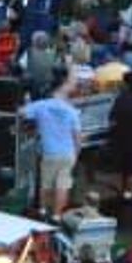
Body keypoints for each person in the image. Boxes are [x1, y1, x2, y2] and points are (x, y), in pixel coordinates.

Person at [21, 73, 82, 216]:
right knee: (63, 186)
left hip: (49, 152)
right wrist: (76, 155)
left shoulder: (41, 105)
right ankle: (57, 216)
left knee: (46, 184)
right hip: (68, 153)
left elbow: (21, 113)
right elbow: (77, 137)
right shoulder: (71, 111)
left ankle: (43, 212)